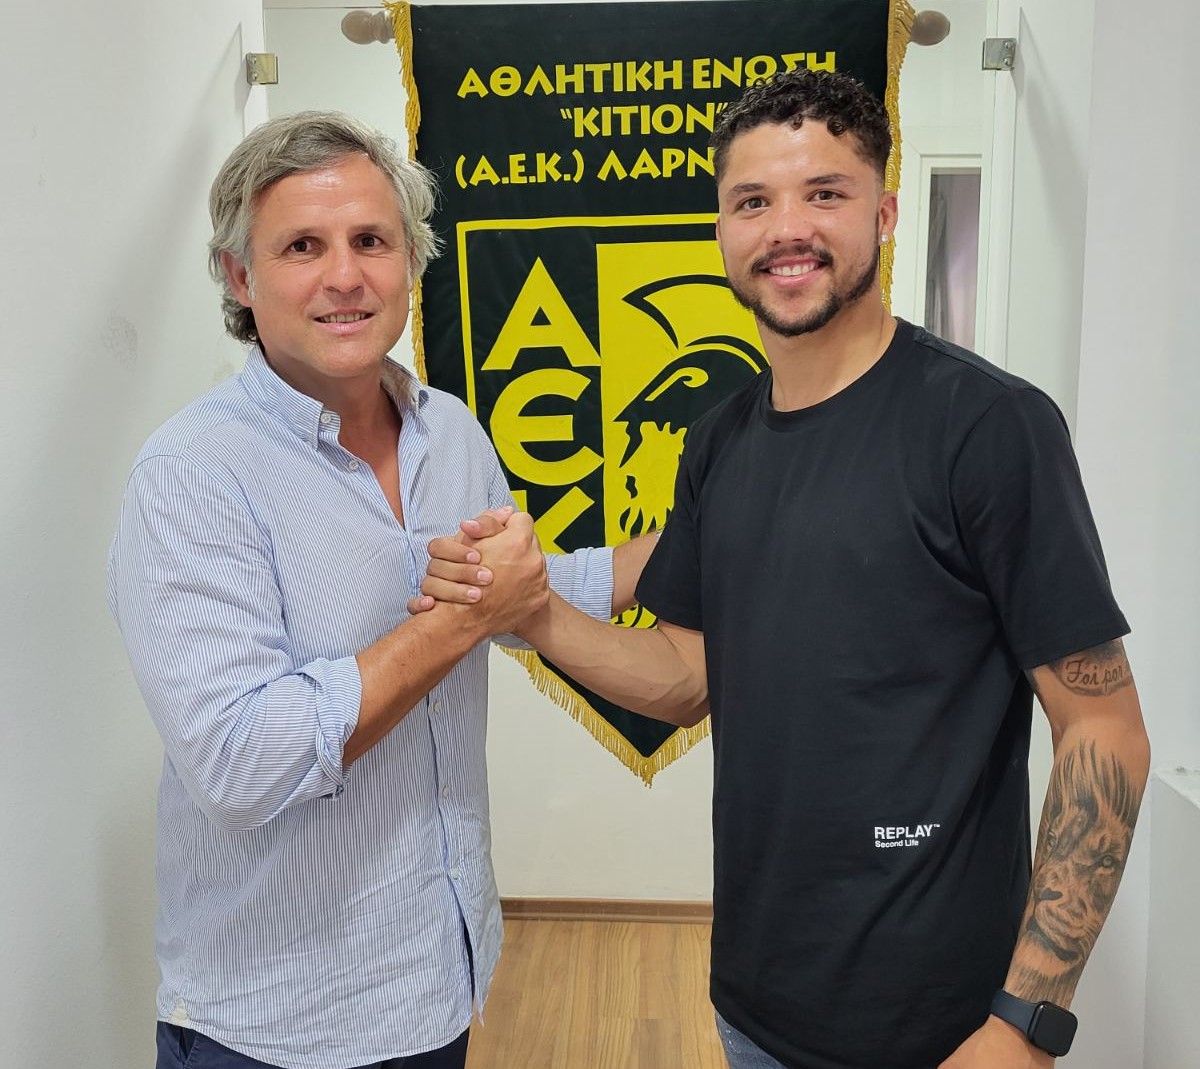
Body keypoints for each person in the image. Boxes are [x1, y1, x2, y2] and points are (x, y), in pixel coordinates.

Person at [417, 71, 1151, 1069]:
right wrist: (535, 612)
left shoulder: (987, 426)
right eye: (753, 201)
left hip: (943, 1028)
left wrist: (1027, 1023)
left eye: (825, 193)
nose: (787, 229)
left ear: (885, 213)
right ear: (721, 230)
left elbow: (1104, 728)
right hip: (753, 1008)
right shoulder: (718, 442)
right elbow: (684, 675)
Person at [107, 111, 653, 1069]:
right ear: (239, 276)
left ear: (411, 261)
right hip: (276, 1025)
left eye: (371, 240)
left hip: (436, 979)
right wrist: (457, 623)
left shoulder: (450, 430)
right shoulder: (192, 474)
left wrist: (711, 541)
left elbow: (520, 596)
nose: (345, 276)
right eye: (302, 247)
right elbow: (241, 761)